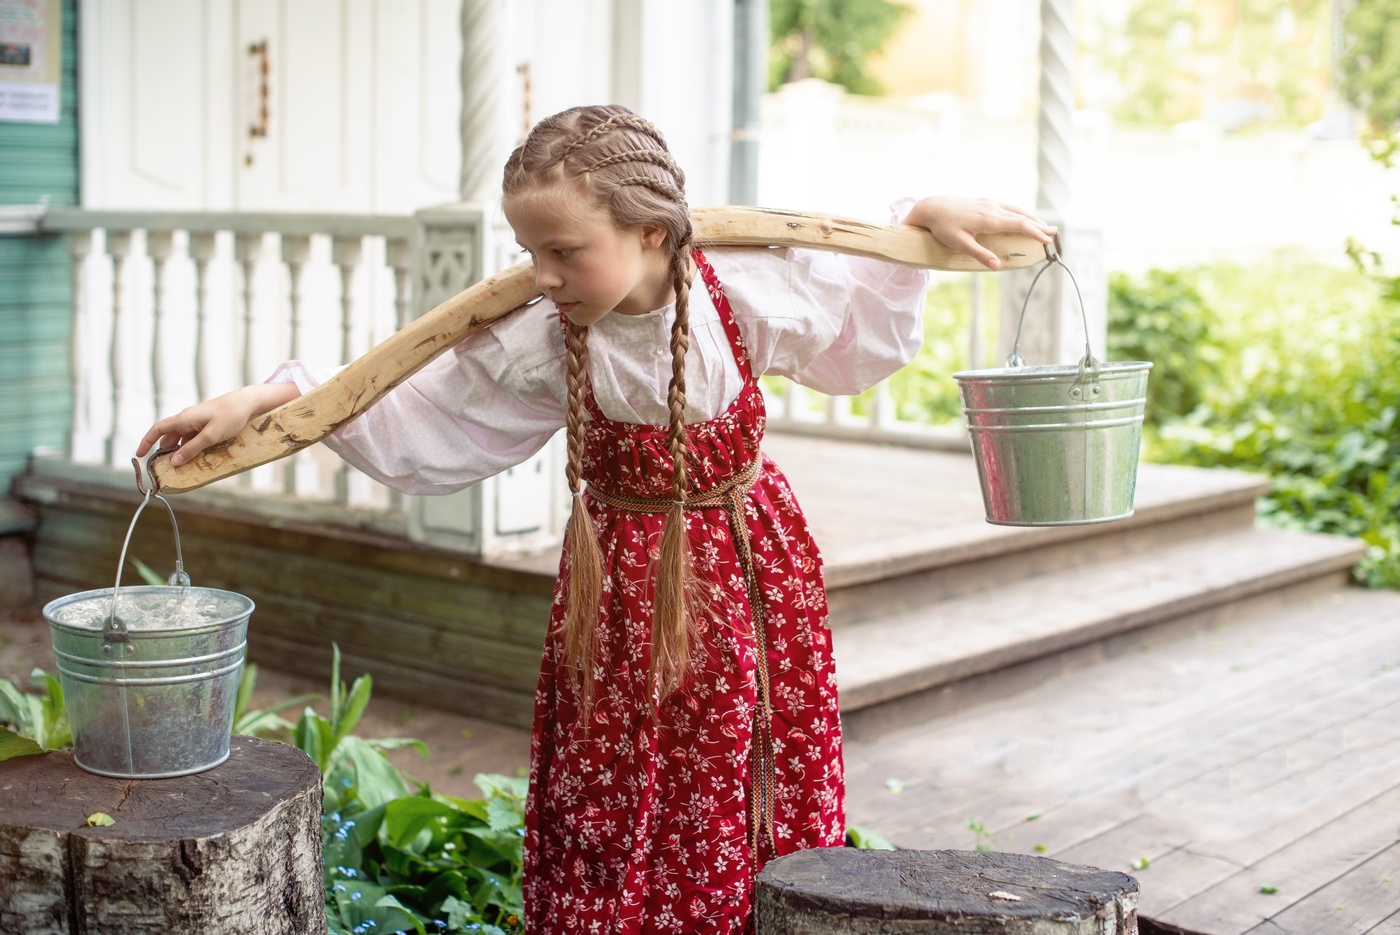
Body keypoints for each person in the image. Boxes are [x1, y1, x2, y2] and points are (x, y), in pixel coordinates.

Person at [138, 104, 1054, 934]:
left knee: (740, 759)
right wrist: (264, 401)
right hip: (618, 595)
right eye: (530, 251)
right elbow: (416, 405)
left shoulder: (745, 291)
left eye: (564, 251)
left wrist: (924, 209)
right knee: (618, 773)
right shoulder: (547, 332)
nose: (540, 275)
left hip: (745, 568)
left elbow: (861, 292)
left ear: (650, 231)